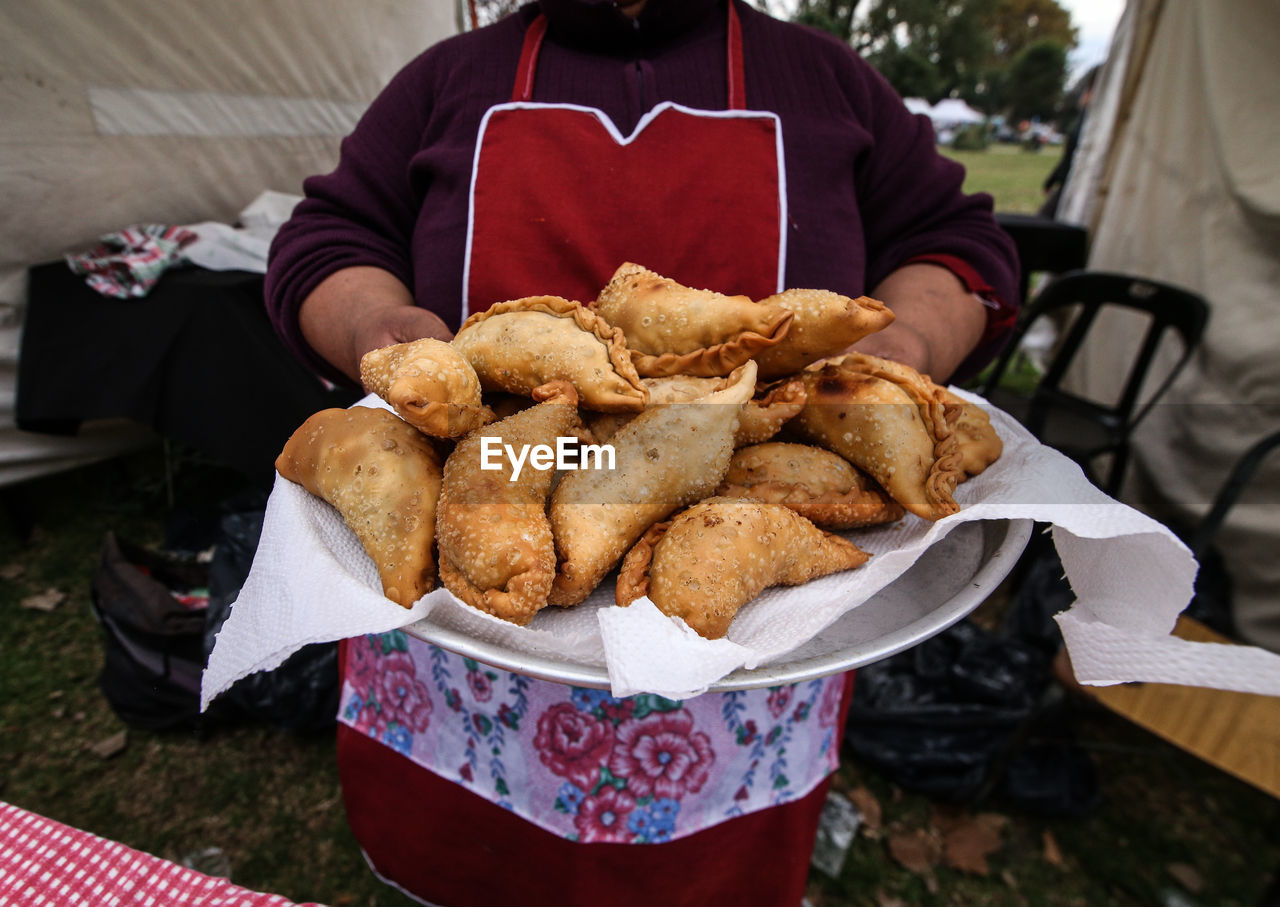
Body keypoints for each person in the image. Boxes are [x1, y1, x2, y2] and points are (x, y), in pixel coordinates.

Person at [265, 1, 1019, 904]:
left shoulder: (826, 80)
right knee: (463, 871)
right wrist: (392, 338)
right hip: (476, 559)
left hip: (747, 616)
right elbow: (326, 239)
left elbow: (962, 245)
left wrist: (888, 370)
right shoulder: (449, 78)